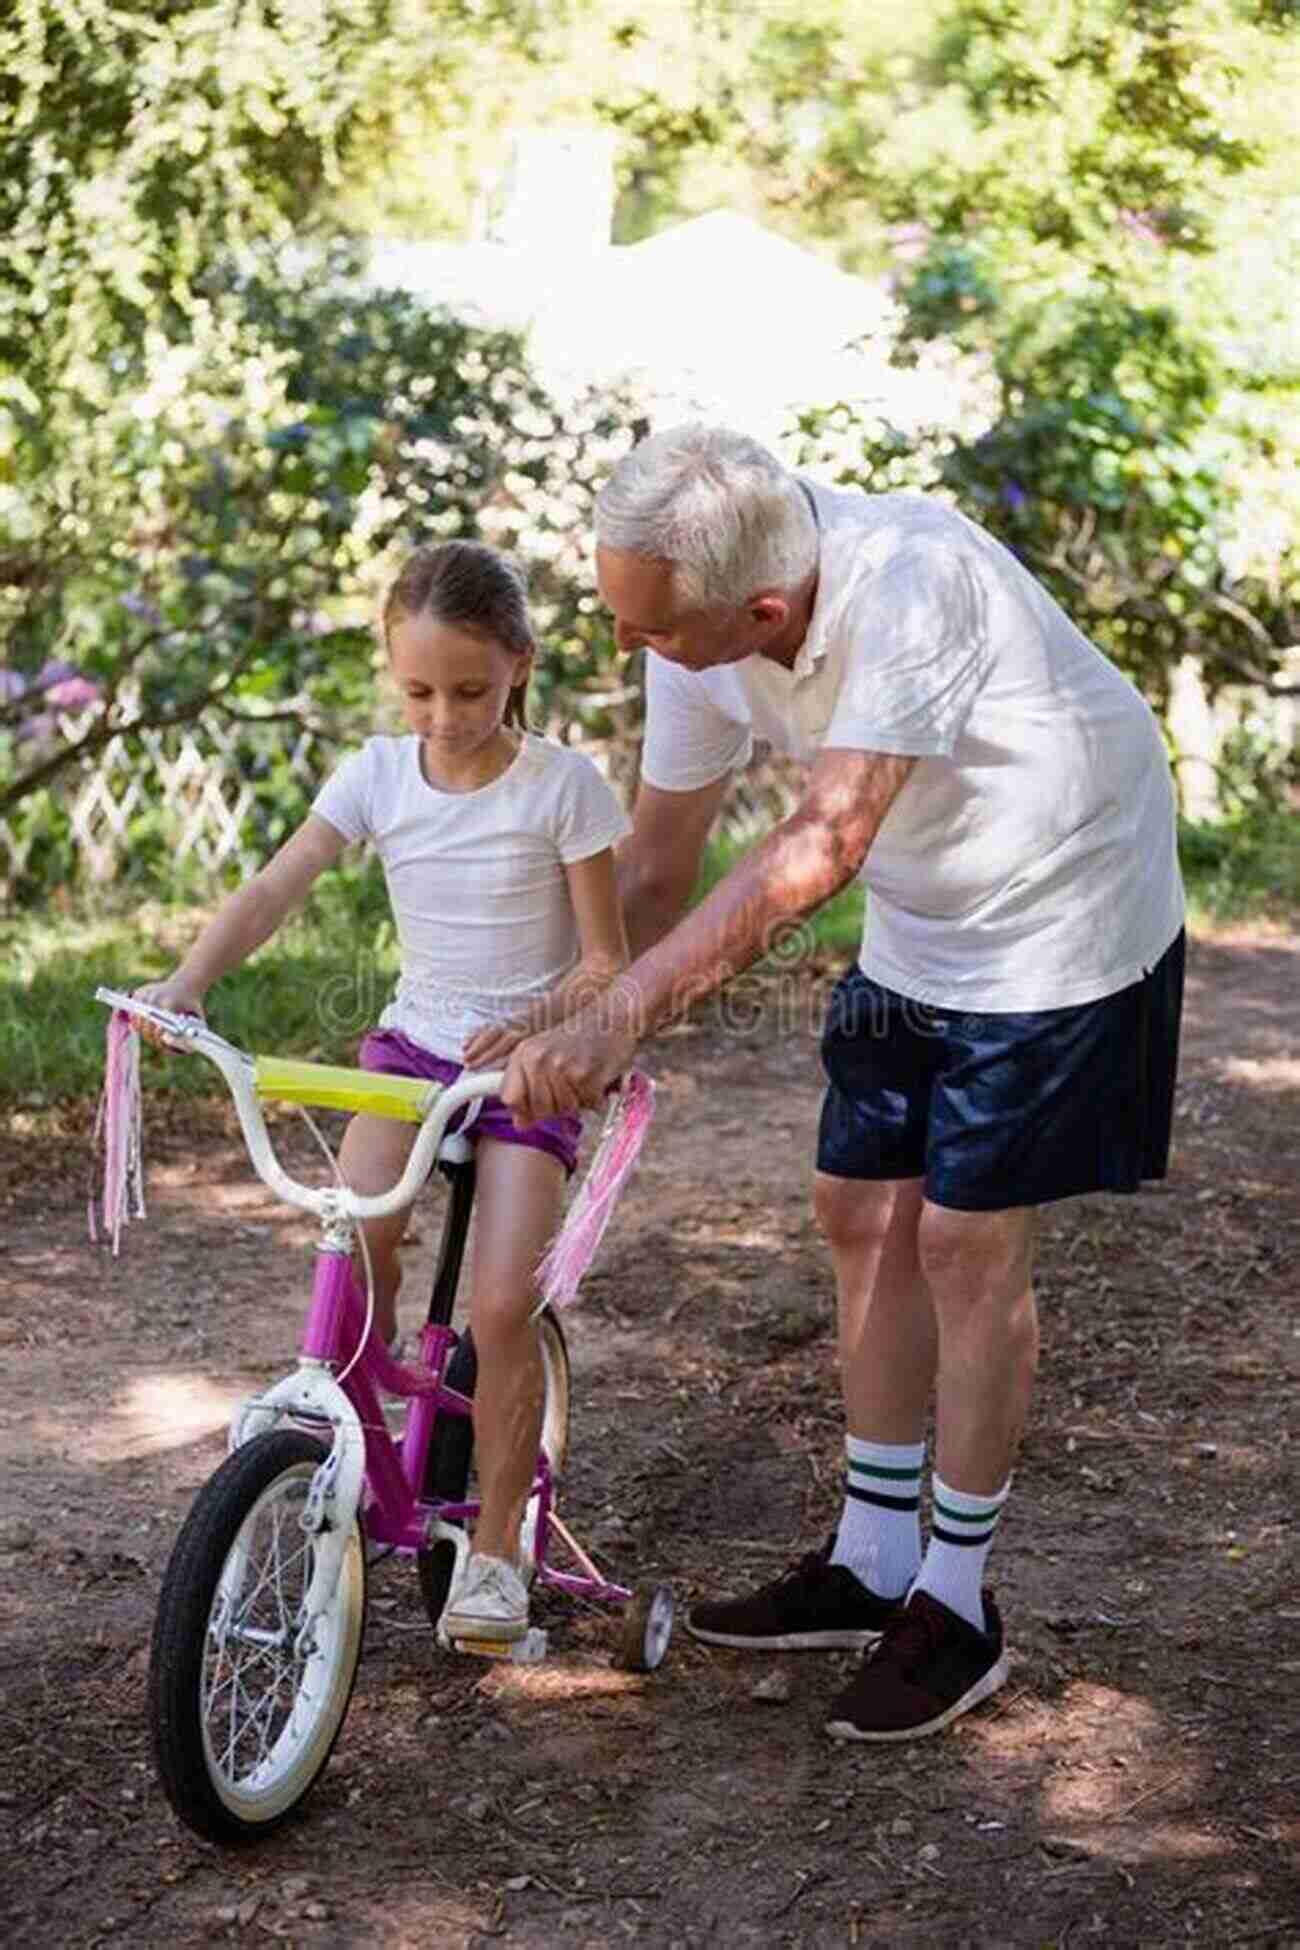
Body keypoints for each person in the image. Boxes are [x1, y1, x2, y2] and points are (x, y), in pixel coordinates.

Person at [496, 424, 1185, 1741]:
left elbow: (821, 846)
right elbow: (653, 869)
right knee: (857, 1205)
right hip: (930, 910)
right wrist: (548, 1009)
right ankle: (871, 1563)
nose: (626, 650)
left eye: (648, 630)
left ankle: (957, 1598)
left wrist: (629, 1018)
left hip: (1067, 909)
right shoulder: (700, 621)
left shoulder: (912, 581)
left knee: (965, 1237)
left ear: (763, 610)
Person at [137, 539, 630, 1646]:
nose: (443, 715)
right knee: (352, 1247)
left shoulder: (563, 788)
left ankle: (497, 1547)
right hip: (412, 1056)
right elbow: (274, 885)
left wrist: (545, 1022)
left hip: (522, 1073)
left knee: (501, 1305)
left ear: (518, 663)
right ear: (389, 674)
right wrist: (187, 985)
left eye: (468, 689)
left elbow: (606, 965)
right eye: (417, 690)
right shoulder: (375, 773)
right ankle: (367, 1428)